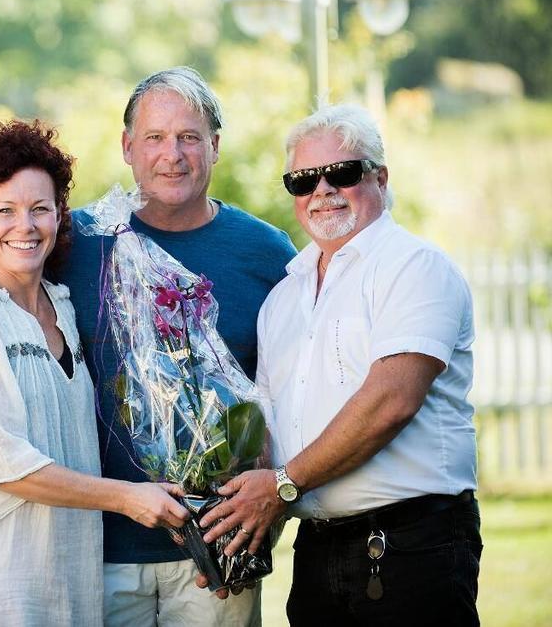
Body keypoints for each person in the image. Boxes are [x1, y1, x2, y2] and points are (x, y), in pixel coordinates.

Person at [0, 68, 296, 627]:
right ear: (127, 147)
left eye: (189, 137)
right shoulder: (74, 239)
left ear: (215, 146)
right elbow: (2, 271)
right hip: (94, 549)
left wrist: (274, 500)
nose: (171, 154)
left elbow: (291, 387)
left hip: (216, 549)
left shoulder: (267, 253)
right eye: (154, 137)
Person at [0, 120, 190, 626]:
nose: (24, 226)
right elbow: (2, 463)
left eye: (39, 209)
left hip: (61, 578)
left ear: (58, 215)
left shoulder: (64, 307)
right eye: (4, 210)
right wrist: (128, 498)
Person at [201, 104, 481, 625]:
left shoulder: (415, 268)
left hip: (410, 544)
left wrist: (283, 485)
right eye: (304, 180)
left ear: (380, 176)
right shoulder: (284, 297)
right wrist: (233, 531)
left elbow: (391, 402)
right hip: (317, 549)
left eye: (343, 173)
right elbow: (268, 430)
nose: (323, 191)